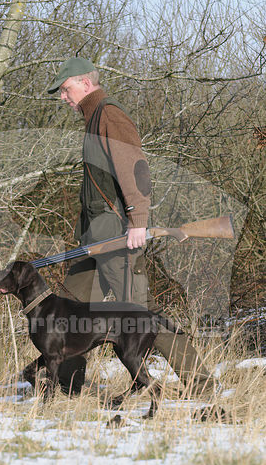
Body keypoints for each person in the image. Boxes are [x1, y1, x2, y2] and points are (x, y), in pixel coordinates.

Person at [44, 56, 217, 399]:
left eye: (65, 89)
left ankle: (204, 388)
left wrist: (138, 221)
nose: (63, 97)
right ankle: (65, 390)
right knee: (70, 306)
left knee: (138, 314)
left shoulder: (109, 114)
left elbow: (134, 168)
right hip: (92, 235)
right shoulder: (93, 118)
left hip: (116, 231)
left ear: (85, 83)